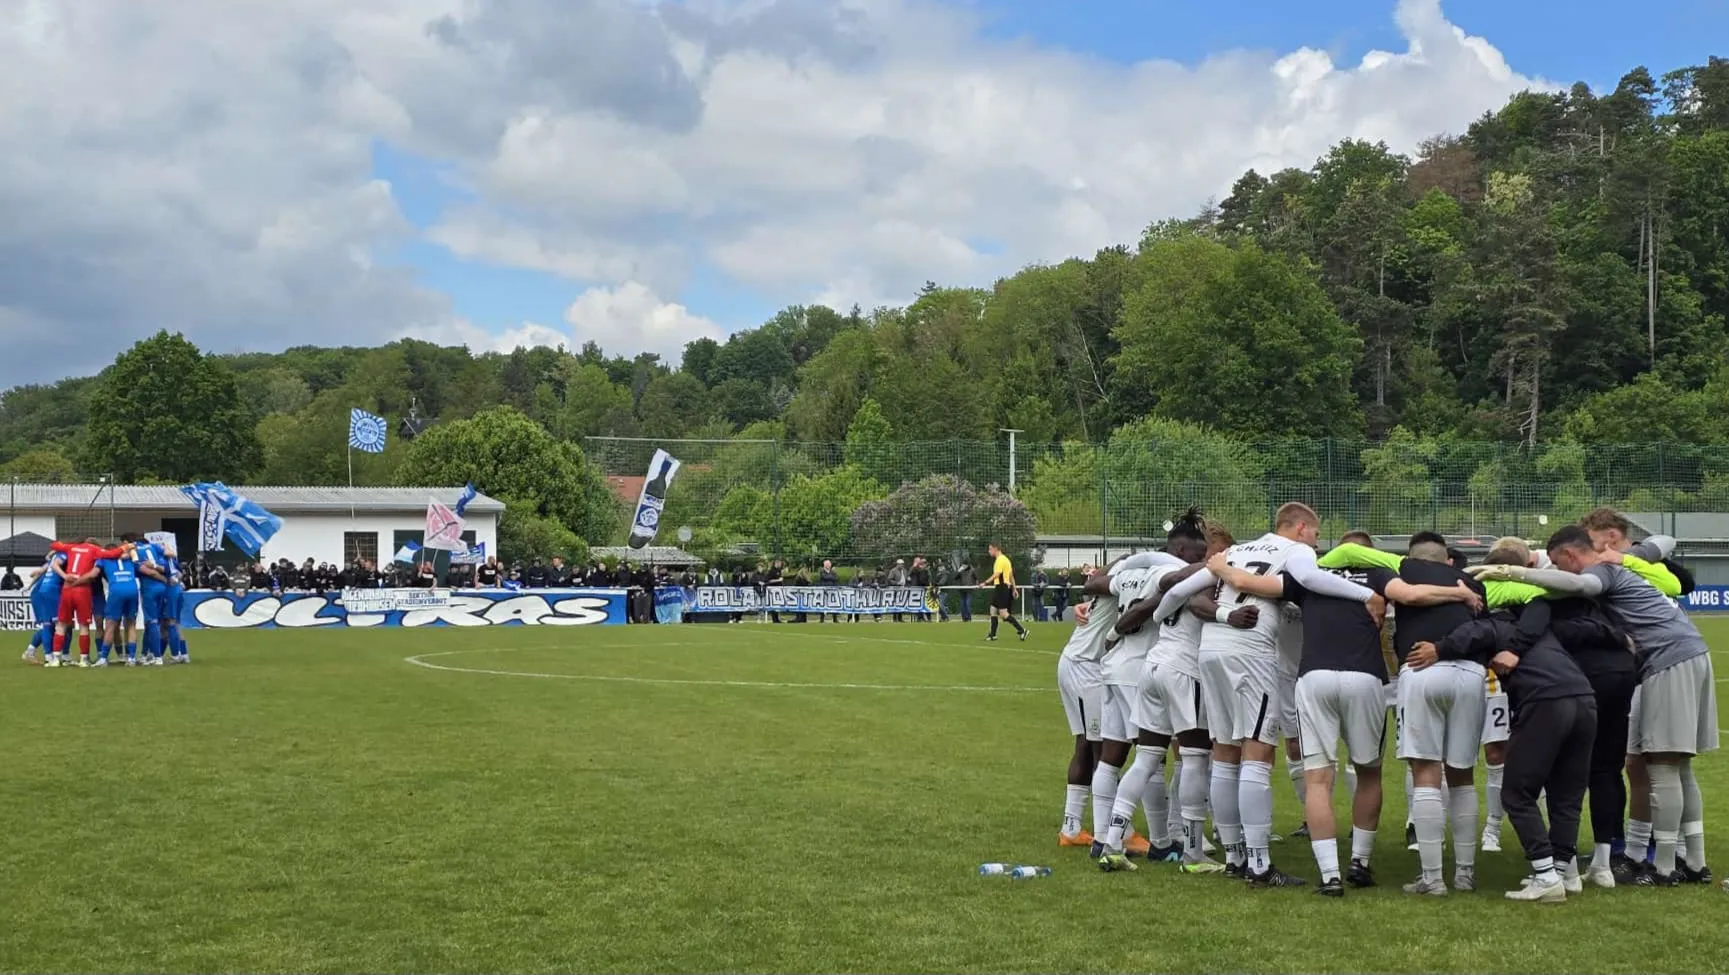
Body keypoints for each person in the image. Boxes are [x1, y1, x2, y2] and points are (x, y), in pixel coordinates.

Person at [1146, 502, 1384, 886]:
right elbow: (1311, 578)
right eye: (1316, 535)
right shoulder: (1295, 551)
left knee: (1224, 751)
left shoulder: (1236, 552)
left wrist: (1158, 617)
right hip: (1250, 649)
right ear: (1302, 528)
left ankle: (1234, 856)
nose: (1317, 543)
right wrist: (1363, 595)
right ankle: (1258, 865)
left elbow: (1178, 590)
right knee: (1257, 753)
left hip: (1211, 650)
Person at [1476, 525, 1716, 887]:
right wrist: (1629, 554)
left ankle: (1664, 867)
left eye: (1559, 564)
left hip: (1668, 658)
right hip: (1684, 653)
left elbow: (1582, 586)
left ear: (1571, 556)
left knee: (1664, 763)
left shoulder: (1598, 571)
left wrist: (1516, 572)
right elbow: (1664, 541)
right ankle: (1693, 862)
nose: (1559, 572)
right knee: (1676, 765)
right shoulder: (1615, 563)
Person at [1408, 594, 1605, 902]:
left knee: (1516, 792)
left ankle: (1545, 875)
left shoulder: (1496, 626)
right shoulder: (1543, 628)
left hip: (1545, 702)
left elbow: (1474, 634)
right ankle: (1561, 870)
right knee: (1567, 794)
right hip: (1584, 700)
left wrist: (1438, 648)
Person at [1096, 509, 1250, 872]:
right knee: (1196, 759)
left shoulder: (1168, 573)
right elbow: (1194, 601)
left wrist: (1119, 630)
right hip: (1183, 671)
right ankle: (1193, 853)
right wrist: (1227, 612)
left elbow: (1163, 600)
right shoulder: (1206, 572)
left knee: (1147, 758)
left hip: (1153, 666)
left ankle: (1111, 844)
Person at [48, 537, 130, 668]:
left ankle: (56, 658)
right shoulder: (95, 550)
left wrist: (56, 549)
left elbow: (54, 544)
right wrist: (126, 547)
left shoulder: (70, 547)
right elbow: (112, 554)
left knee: (61, 624)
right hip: (83, 590)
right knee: (83, 625)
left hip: (68, 588)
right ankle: (84, 659)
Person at [95, 545, 141, 668]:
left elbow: (94, 573)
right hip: (132, 589)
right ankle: (131, 658)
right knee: (131, 624)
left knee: (110, 625)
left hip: (116, 591)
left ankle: (103, 658)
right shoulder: (130, 558)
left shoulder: (103, 559)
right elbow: (139, 564)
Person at [21, 552, 66, 664]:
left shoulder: (53, 562)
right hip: (41, 595)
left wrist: (30, 585)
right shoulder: (57, 561)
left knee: (50, 625)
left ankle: (31, 651)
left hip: (41, 593)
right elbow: (38, 573)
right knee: (49, 624)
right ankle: (49, 656)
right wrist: (30, 585)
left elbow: (38, 573)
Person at [980, 543, 1027, 642]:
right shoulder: (1006, 560)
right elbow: (1011, 576)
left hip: (1002, 587)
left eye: (990, 549)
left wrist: (985, 582)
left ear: (996, 549)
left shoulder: (1000, 560)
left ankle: (1022, 630)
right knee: (993, 609)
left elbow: (997, 574)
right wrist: (1014, 589)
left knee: (1003, 613)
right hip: (1001, 588)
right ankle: (993, 635)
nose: (989, 551)